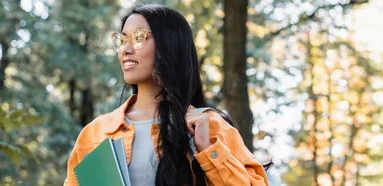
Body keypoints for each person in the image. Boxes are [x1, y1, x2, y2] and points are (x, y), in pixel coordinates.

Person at [63, 4, 269, 186]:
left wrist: (206, 148)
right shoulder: (95, 133)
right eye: (123, 39)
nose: (125, 49)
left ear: (169, 45)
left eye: (138, 38)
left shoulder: (211, 126)